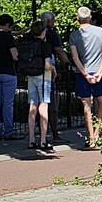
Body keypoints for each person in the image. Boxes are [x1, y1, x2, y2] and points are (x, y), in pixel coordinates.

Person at [69, 6, 102, 147]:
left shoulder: (74, 35)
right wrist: (100, 71)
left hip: (83, 73)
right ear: (90, 17)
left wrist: (85, 74)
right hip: (99, 72)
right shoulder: (101, 32)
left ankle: (91, 136)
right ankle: (98, 134)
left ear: (77, 19)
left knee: (86, 106)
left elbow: (75, 57)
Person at [20, 21, 56, 151]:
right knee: (44, 106)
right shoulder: (45, 45)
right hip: (43, 77)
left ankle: (31, 140)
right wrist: (53, 68)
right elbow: (47, 65)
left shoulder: (27, 44)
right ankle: (43, 140)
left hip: (31, 77)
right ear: (43, 32)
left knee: (32, 106)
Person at [40, 11, 69, 142]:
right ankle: (55, 134)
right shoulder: (51, 33)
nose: (54, 23)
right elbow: (59, 50)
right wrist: (67, 63)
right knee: (50, 101)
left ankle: (40, 135)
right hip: (48, 69)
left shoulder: (32, 34)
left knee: (36, 102)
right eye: (53, 20)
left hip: (34, 70)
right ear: (48, 21)